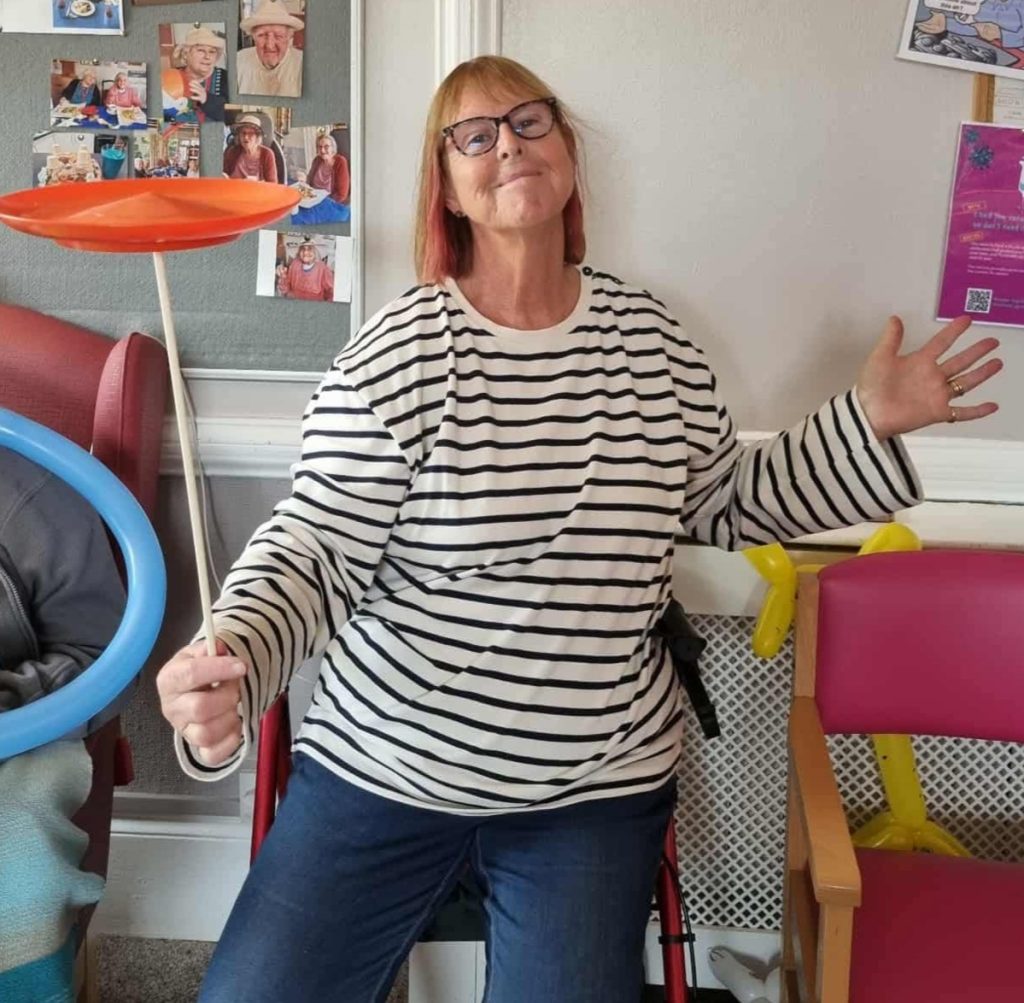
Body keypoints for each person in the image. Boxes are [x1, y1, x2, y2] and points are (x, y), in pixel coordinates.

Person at [157, 56, 1003, 1003]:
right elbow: (313, 548)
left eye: (531, 121)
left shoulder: (655, 347)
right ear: (448, 189)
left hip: (590, 789)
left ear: (565, 152)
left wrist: (866, 422)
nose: (509, 145)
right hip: (386, 767)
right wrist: (236, 655)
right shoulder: (393, 358)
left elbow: (729, 499)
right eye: (475, 135)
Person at [0, 448, 126, 1002]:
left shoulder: (33, 496)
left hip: (24, 734)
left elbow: (102, 655)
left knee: (18, 872)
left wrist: (13, 699)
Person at [236, 0, 304, 98]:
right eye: (262, 35)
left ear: (289, 37)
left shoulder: (303, 64)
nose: (270, 45)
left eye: (278, 36)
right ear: (253, 37)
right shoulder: (238, 60)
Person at [162, 26, 229, 124]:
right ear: (186, 54)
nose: (207, 56)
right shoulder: (168, 77)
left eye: (212, 52)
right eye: (201, 50)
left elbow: (233, 117)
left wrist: (207, 99)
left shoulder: (227, 78)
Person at [222, 114, 278, 182]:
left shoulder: (267, 154)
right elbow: (223, 175)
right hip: (234, 188)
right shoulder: (232, 152)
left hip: (257, 189)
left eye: (250, 133)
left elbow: (272, 184)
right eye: (243, 133)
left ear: (258, 137)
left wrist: (257, 183)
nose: (246, 137)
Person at [306, 133, 350, 203]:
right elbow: (309, 181)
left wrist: (321, 201)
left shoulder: (340, 162)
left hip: (330, 201)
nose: (322, 150)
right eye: (320, 147)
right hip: (313, 198)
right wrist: (304, 180)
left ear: (333, 148)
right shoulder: (317, 160)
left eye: (326, 147)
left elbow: (341, 195)